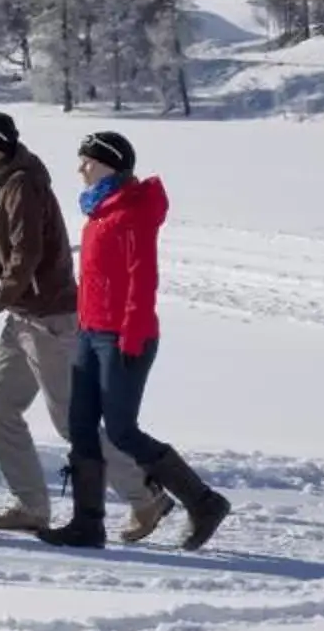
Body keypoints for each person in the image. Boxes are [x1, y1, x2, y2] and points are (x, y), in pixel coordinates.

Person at [0, 112, 162, 539]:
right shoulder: (9, 184)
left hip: (50, 321)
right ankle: (31, 506)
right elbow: (1, 253)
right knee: (0, 410)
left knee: (70, 423)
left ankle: (146, 497)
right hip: (23, 317)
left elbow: (26, 256)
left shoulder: (24, 186)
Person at [38, 133, 232, 550]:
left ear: (109, 164)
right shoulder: (100, 212)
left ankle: (204, 502)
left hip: (124, 337)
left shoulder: (133, 212)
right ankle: (87, 525)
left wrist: (131, 334)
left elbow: (143, 280)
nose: (80, 169)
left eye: (87, 161)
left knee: (123, 430)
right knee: (80, 426)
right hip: (91, 332)